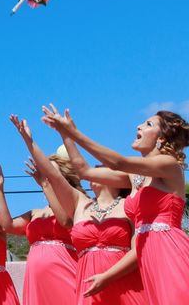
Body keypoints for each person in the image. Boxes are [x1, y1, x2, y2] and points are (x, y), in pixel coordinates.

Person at [41, 105, 189, 304]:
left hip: (168, 248)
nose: (139, 125)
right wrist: (64, 134)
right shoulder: (134, 175)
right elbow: (85, 171)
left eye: (148, 124)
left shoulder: (169, 165)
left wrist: (74, 132)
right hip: (147, 255)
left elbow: (117, 162)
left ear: (161, 138)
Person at [11, 114, 145, 304]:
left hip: (124, 284)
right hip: (89, 286)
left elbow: (138, 250)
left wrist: (107, 277)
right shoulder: (81, 203)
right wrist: (30, 140)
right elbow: (52, 174)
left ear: (118, 180)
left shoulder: (129, 205)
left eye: (103, 168)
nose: (96, 171)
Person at [0, 158, 77, 304]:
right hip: (37, 279)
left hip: (64, 271)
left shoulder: (75, 205)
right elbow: (7, 225)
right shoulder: (34, 213)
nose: (45, 176)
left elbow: (65, 221)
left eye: (50, 172)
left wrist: (45, 184)